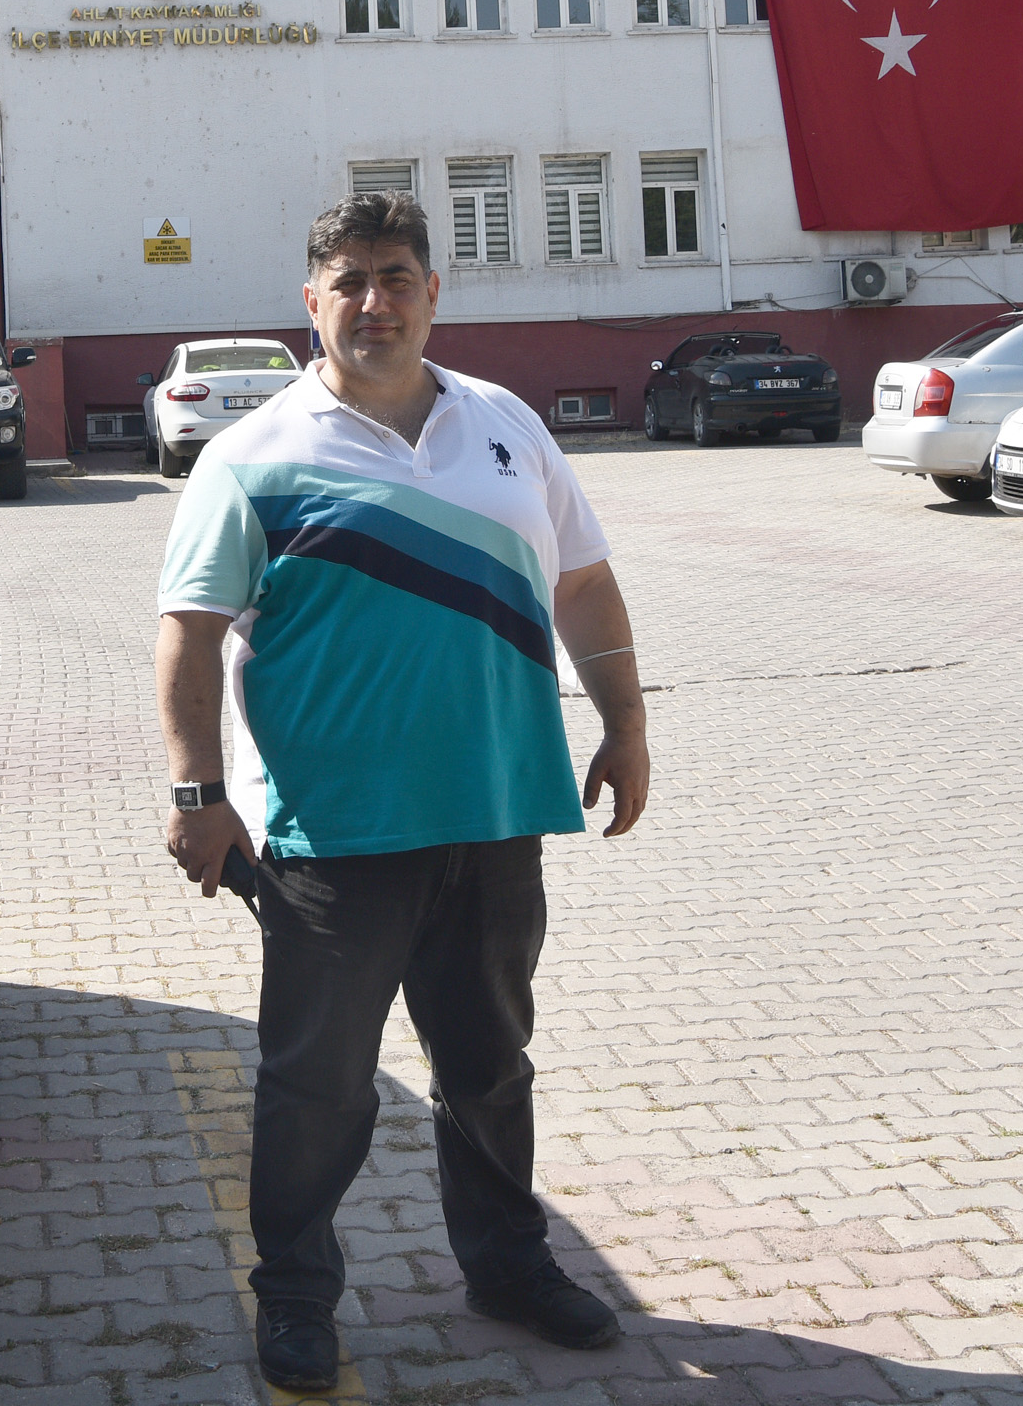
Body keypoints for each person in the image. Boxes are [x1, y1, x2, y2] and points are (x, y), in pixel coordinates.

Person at [157, 192, 652, 1393]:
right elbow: (189, 631)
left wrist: (625, 723)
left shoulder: (505, 423)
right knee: (317, 1085)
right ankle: (294, 1297)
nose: (372, 302)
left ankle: (507, 1267)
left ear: (432, 292)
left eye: (394, 277)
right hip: (331, 835)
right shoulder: (253, 454)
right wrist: (196, 793)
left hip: (494, 812)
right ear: (311, 302)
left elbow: (583, 585)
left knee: (488, 1065)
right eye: (349, 281)